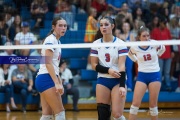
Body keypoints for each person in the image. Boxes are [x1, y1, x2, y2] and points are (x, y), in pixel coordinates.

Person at [90, 16, 128, 120]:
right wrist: (108, 70)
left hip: (117, 80)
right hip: (103, 80)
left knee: (117, 114)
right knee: (103, 115)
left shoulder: (120, 43)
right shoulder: (96, 44)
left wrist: (122, 85)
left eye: (106, 25)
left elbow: (121, 66)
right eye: (101, 25)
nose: (103, 27)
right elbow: (94, 65)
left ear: (112, 26)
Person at [128, 26, 166, 120]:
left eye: (148, 36)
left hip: (154, 75)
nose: (146, 38)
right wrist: (136, 61)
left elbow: (163, 48)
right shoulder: (135, 46)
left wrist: (158, 55)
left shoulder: (154, 43)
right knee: (135, 104)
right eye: (144, 36)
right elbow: (129, 54)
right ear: (139, 37)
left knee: (153, 105)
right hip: (142, 75)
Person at [35, 17, 67, 120]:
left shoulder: (58, 42)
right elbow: (48, 63)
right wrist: (56, 83)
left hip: (44, 79)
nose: (63, 28)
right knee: (60, 113)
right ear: (53, 27)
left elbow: (54, 66)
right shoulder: (50, 40)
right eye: (60, 25)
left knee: (46, 115)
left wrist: (59, 81)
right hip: (46, 78)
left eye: (65, 26)